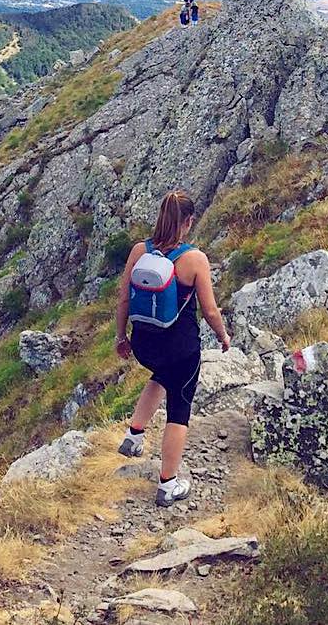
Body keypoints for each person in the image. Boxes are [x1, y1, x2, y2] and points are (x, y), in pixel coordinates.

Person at [116, 191, 231, 507]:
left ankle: (134, 435)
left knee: (160, 376)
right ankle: (168, 484)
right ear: (188, 222)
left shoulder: (140, 251)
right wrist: (223, 336)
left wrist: (120, 337)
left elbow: (124, 298)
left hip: (144, 343)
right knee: (179, 409)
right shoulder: (194, 259)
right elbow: (209, 310)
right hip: (181, 349)